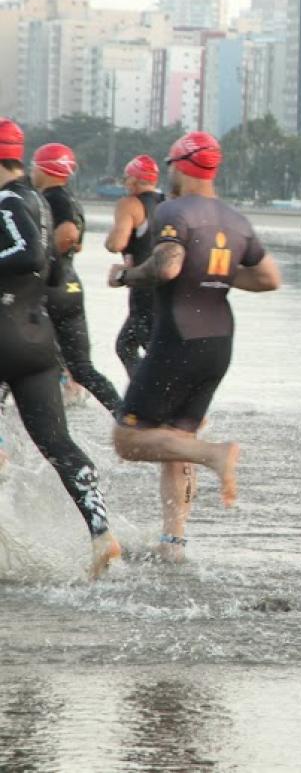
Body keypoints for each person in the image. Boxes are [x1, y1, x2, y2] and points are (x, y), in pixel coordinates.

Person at [108, 132, 280, 562]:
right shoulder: (235, 218)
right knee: (176, 438)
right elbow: (268, 278)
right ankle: (174, 543)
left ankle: (215, 454)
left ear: (183, 165)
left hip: (178, 337)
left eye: (170, 164)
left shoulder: (174, 210)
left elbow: (167, 267)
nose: (167, 172)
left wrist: (125, 277)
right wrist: (216, 274)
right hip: (219, 341)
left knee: (129, 439)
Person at [0, 118, 121, 577]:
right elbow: (49, 270)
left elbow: (29, 255)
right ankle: (101, 534)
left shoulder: (8, 200)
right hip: (35, 337)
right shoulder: (41, 203)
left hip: (4, 332)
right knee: (58, 443)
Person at [30, 143, 124, 416]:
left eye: (34, 166)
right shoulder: (71, 200)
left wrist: (42, 258)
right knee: (82, 367)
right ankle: (123, 414)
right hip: (71, 286)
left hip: (49, 286)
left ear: (43, 168)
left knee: (16, 358)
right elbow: (77, 241)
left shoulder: (51, 198)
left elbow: (69, 234)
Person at [105, 154, 163, 376]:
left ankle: (154, 401)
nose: (124, 184)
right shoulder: (168, 202)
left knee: (152, 350)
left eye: (125, 179)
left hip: (143, 285)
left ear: (134, 180)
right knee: (126, 345)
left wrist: (111, 241)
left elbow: (116, 243)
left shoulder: (130, 204)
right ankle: (140, 397)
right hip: (168, 286)